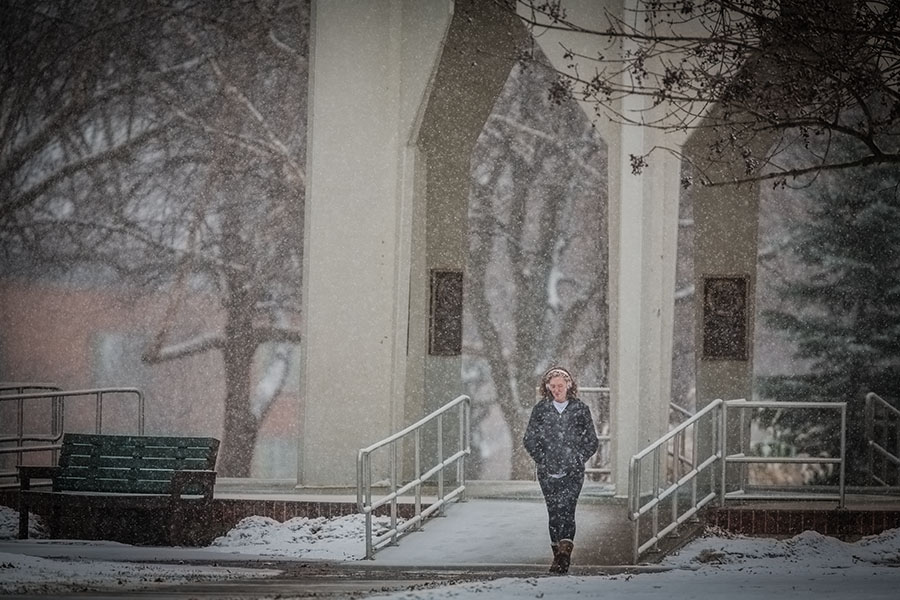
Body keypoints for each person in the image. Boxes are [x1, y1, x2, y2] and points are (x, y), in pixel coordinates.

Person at [523, 366, 599, 574]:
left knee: (567, 509)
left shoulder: (580, 409)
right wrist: (542, 459)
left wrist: (578, 457)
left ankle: (564, 555)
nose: (557, 389)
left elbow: (591, 440)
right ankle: (558, 553)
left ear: (569, 385)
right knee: (554, 512)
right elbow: (529, 439)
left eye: (560, 385)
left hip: (573, 471)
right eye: (553, 386)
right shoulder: (541, 409)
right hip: (548, 472)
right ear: (547, 387)